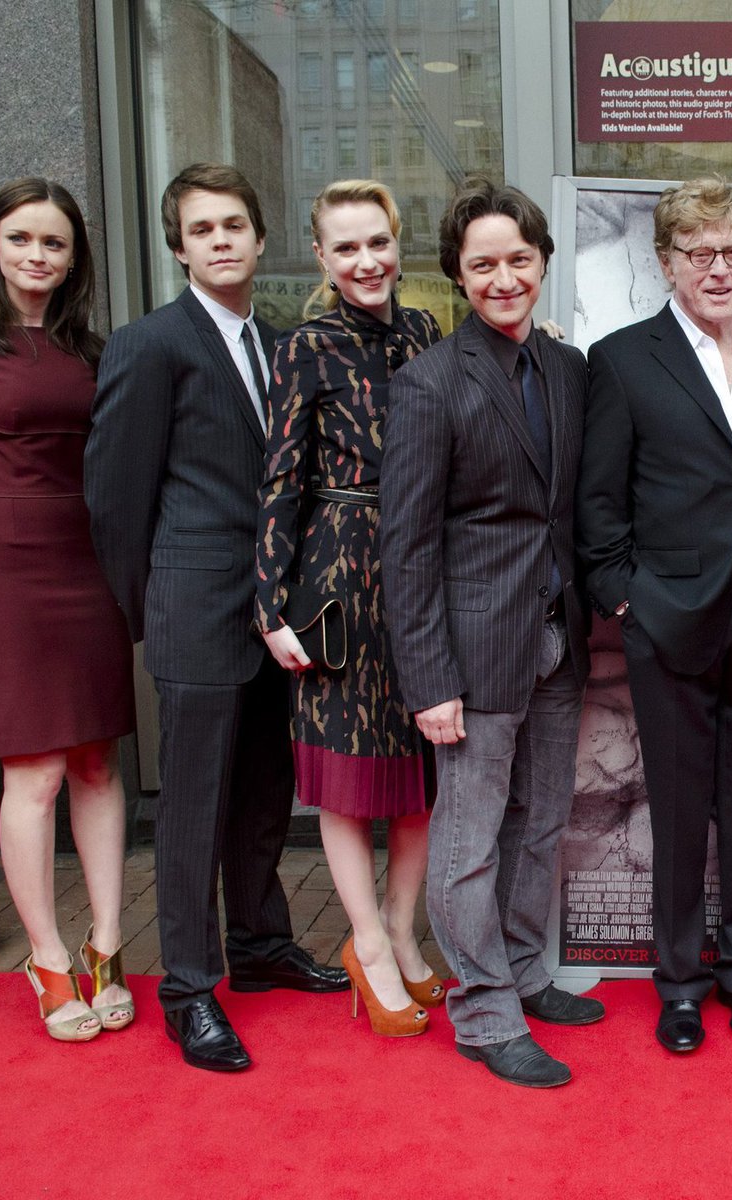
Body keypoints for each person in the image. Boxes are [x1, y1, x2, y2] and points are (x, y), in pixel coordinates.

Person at [86, 163, 346, 1073]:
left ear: (261, 237)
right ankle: (189, 989)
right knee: (193, 808)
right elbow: (117, 500)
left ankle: (264, 946)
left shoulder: (285, 344)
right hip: (195, 608)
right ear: (180, 247)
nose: (223, 240)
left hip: (278, 619)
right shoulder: (149, 344)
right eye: (203, 230)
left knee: (265, 795)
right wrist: (149, 610)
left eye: (235, 224)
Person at [381, 176, 597, 1087]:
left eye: (519, 259)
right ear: (457, 277)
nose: (504, 277)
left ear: (542, 261)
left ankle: (524, 971)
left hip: (556, 637)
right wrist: (428, 680)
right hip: (470, 656)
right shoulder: (429, 383)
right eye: (483, 265)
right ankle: (481, 1011)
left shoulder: (568, 367)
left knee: (542, 822)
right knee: (469, 844)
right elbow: (407, 545)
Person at [576, 176, 732, 1055]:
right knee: (674, 812)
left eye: (731, 252)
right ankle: (679, 985)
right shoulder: (624, 360)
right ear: (665, 263)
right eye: (698, 254)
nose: (717, 269)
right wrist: (629, 602)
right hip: (669, 622)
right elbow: (598, 507)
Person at [0, 178, 136, 1042]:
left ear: (75, 257)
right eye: (21, 240)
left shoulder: (95, 348)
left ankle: (109, 943)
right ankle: (47, 959)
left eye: (54, 243)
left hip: (89, 562)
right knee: (33, 773)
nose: (37, 256)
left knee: (97, 764)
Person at [254, 179, 442, 1037]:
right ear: (323, 260)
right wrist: (270, 605)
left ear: (395, 244)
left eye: (379, 242)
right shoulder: (304, 347)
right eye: (347, 247)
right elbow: (280, 481)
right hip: (338, 572)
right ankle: (365, 943)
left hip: (423, 568)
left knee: (418, 774)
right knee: (346, 777)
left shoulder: (424, 331)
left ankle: (403, 934)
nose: (367, 261)